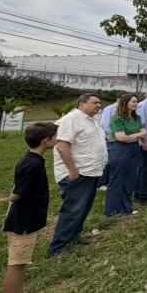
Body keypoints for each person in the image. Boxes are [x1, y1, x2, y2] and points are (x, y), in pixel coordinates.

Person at [0, 122, 59, 293]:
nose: (57, 139)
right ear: (45, 140)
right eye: (54, 137)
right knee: (16, 265)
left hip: (28, 220)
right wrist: (11, 199)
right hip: (22, 221)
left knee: (21, 264)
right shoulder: (33, 164)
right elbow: (16, 194)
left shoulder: (33, 159)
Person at [47, 94, 108, 256]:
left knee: (83, 207)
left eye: (100, 103)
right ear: (81, 104)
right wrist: (72, 169)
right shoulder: (71, 119)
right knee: (73, 209)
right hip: (77, 173)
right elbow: (62, 146)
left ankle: (74, 235)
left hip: (91, 171)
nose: (99, 105)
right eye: (95, 102)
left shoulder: (91, 120)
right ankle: (58, 246)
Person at [106, 94, 146, 217]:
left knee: (130, 180)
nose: (136, 104)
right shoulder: (117, 119)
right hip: (120, 150)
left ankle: (126, 208)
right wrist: (138, 135)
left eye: (136, 102)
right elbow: (121, 138)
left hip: (134, 150)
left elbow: (144, 132)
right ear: (125, 103)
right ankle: (112, 210)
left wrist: (134, 136)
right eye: (133, 101)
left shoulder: (136, 118)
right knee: (117, 180)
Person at [98, 99, 118, 190]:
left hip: (118, 139)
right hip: (111, 138)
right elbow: (104, 123)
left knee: (113, 160)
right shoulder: (110, 108)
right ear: (119, 99)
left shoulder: (123, 108)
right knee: (108, 160)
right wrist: (109, 135)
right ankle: (102, 182)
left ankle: (110, 180)